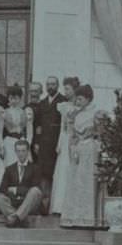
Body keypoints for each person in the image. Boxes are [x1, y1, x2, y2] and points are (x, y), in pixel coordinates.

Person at [60, 84, 99, 228]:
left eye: (81, 99)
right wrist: (73, 147)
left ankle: (87, 217)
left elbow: (99, 132)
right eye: (77, 99)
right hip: (78, 150)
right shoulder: (76, 114)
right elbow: (72, 134)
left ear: (88, 99)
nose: (78, 102)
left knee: (86, 181)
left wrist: (91, 133)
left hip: (89, 149)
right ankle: (74, 216)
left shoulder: (95, 113)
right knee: (76, 181)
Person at [0, 140, 43, 227]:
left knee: (35, 191)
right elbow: (2, 188)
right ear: (15, 152)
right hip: (13, 202)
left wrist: (16, 190)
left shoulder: (35, 168)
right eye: (18, 151)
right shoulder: (9, 169)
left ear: (28, 151)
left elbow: (36, 187)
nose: (21, 154)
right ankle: (19, 218)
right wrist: (12, 194)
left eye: (23, 151)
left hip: (29, 204)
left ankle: (13, 218)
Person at [35, 76, 67, 210]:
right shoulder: (42, 103)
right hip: (43, 145)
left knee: (56, 173)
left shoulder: (63, 102)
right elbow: (37, 126)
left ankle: (55, 204)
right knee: (44, 174)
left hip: (57, 144)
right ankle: (44, 205)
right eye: (48, 84)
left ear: (57, 85)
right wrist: (36, 142)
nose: (50, 87)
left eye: (53, 84)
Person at [50, 76, 80, 215]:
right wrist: (59, 144)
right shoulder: (64, 106)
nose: (65, 92)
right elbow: (62, 127)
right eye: (65, 89)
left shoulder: (80, 106)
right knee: (62, 171)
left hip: (76, 140)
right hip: (65, 138)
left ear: (74, 90)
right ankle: (59, 206)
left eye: (67, 89)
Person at [0, 85, 33, 167]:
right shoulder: (4, 113)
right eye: (11, 98)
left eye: (16, 98)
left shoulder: (25, 112)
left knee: (23, 165)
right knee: (10, 164)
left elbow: (30, 131)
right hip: (9, 142)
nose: (14, 101)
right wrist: (1, 146)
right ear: (8, 98)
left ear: (20, 98)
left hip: (22, 141)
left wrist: (28, 144)